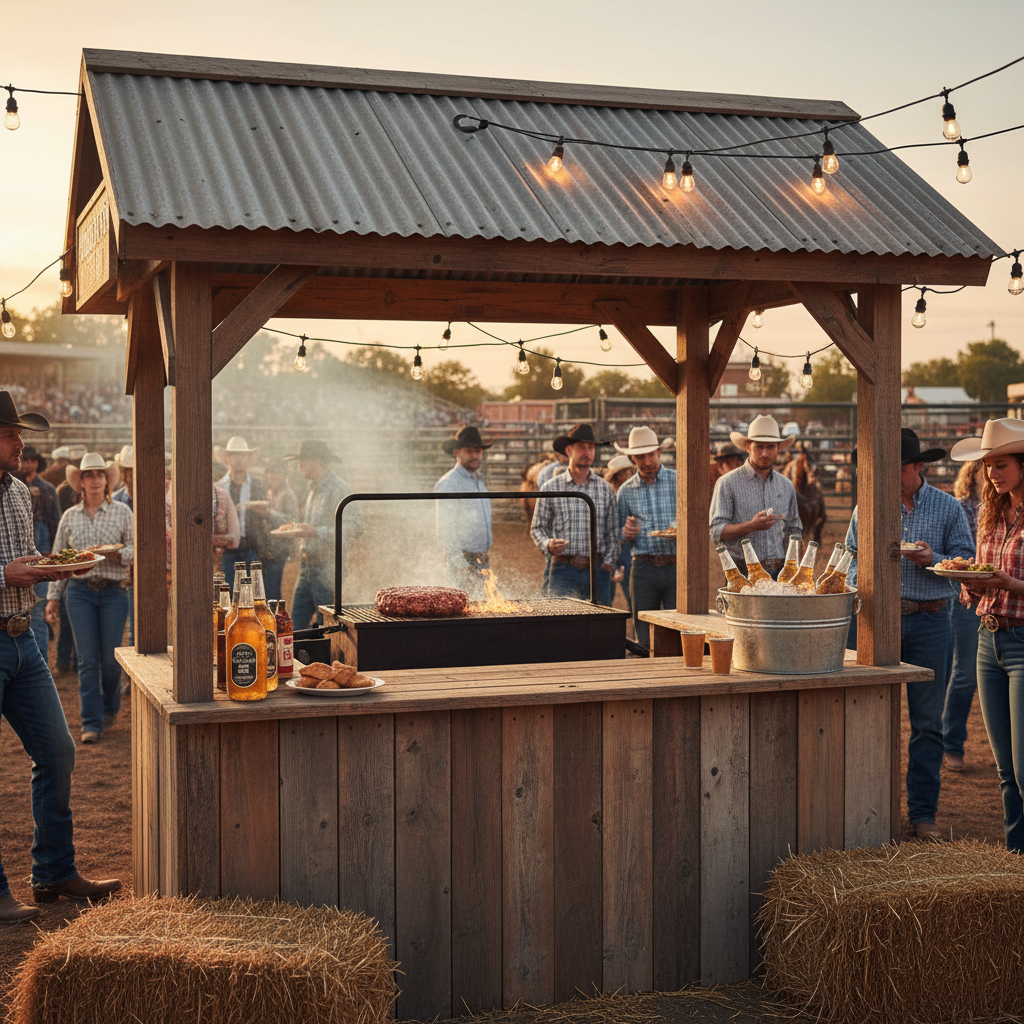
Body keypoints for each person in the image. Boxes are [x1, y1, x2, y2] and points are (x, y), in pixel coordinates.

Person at [0, 392, 122, 923]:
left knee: (59, 752)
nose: (21, 444)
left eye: (19, 434)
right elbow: (9, 568)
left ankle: (53, 871)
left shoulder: (22, 494)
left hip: (23, 636)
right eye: (10, 434)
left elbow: (26, 558)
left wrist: (50, 569)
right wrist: (6, 575)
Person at [846, 427, 973, 843]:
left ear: (919, 466)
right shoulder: (869, 505)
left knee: (927, 724)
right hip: (878, 617)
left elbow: (966, 561)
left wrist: (931, 558)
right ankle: (867, 813)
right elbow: (849, 557)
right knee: (866, 718)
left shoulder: (948, 507)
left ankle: (923, 814)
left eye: (898, 467)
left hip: (930, 617)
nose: (891, 474)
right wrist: (853, 581)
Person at [950, 419, 1024, 852]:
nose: (993, 473)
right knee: (1004, 769)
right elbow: (979, 576)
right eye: (988, 466)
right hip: (988, 637)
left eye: (1001, 464)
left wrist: (1011, 585)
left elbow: (1008, 580)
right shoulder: (989, 512)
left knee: (1023, 768)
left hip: (1021, 639)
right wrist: (970, 583)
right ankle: (1016, 861)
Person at [45, 454, 134, 744]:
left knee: (110, 661)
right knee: (86, 661)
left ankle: (110, 707)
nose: (95, 480)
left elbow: (136, 549)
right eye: (89, 475)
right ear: (80, 482)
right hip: (79, 591)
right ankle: (91, 722)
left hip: (113, 590)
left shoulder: (122, 512)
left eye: (100, 474)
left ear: (107, 480)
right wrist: (52, 598)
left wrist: (117, 554)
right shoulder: (70, 516)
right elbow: (58, 558)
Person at [530, 424, 619, 605]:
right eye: (581, 447)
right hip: (563, 568)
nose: (587, 452)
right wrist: (548, 544)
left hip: (597, 569)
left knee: (598, 627)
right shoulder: (551, 487)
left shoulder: (605, 489)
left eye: (591, 448)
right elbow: (537, 528)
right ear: (569, 450)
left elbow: (613, 532)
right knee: (560, 624)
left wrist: (608, 563)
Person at [709, 415, 801, 577]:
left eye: (770, 447)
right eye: (759, 447)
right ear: (748, 447)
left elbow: (794, 529)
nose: (765, 453)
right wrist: (751, 526)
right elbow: (716, 531)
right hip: (742, 572)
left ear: (778, 448)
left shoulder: (786, 485)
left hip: (779, 572)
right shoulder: (727, 483)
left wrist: (793, 567)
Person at [615, 427, 676, 648]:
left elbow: (694, 518)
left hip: (676, 564)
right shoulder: (625, 491)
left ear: (660, 452)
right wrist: (625, 533)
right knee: (643, 626)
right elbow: (618, 533)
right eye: (641, 456)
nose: (647, 461)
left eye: (651, 454)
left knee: (679, 624)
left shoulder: (679, 481)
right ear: (632, 458)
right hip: (642, 566)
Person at [943, 458, 985, 771]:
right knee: (966, 672)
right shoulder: (960, 507)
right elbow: (957, 554)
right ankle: (951, 743)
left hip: (1004, 595)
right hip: (967, 596)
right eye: (989, 466)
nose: (993, 473)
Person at [284, 440, 353, 628]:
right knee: (296, 624)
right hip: (308, 565)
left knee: (327, 626)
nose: (299, 466)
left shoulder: (339, 489)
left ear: (317, 461)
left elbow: (353, 527)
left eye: (303, 461)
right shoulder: (313, 487)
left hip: (328, 567)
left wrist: (315, 532)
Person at [434, 426, 494, 597]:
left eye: (478, 451)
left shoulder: (478, 481)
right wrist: (460, 564)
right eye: (469, 451)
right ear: (457, 453)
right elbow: (445, 528)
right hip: (463, 562)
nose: (475, 455)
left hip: (480, 560)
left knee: (479, 608)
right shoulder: (450, 483)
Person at [16, 445, 60, 661]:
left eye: (32, 461)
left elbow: (55, 522)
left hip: (42, 553)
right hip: (16, 558)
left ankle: (39, 661)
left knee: (39, 610)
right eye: (25, 460)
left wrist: (52, 553)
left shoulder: (48, 489)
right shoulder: (10, 487)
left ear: (37, 463)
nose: (28, 464)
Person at [215, 436, 267, 578]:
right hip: (227, 550)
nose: (239, 459)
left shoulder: (259, 486)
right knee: (229, 594)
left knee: (255, 593)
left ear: (248, 458)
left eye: (242, 455)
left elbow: (265, 516)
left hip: (252, 548)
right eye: (235, 454)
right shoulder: (218, 488)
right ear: (228, 458)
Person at [261, 460, 299, 602]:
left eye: (276, 477)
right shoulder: (270, 493)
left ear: (283, 476)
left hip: (279, 549)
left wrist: (269, 513)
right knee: (267, 590)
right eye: (270, 477)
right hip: (268, 548)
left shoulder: (288, 494)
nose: (273, 480)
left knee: (272, 590)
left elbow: (292, 521)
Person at [604, 455, 635, 613]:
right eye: (626, 472)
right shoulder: (608, 498)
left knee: (633, 595)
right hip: (611, 550)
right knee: (606, 596)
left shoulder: (630, 495)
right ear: (617, 476)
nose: (630, 475)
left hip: (626, 550)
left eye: (631, 471)